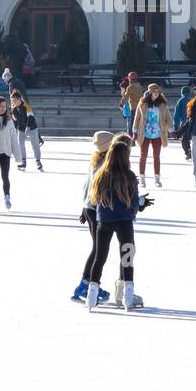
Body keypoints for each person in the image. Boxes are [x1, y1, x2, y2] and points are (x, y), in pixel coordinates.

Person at [86, 135, 155, 310]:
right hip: (124, 222)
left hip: (104, 222)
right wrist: (133, 212)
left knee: (100, 258)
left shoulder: (101, 175)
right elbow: (132, 202)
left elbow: (94, 200)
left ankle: (91, 296)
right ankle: (128, 297)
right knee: (127, 257)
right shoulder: (129, 176)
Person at [72, 131, 115, 304]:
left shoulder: (96, 159)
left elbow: (86, 184)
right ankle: (85, 284)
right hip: (96, 208)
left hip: (90, 207)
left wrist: (84, 206)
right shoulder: (103, 163)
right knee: (99, 250)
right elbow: (95, 186)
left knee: (98, 249)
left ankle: (90, 283)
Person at [132, 83, 171, 187]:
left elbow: (168, 117)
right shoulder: (143, 103)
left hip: (158, 133)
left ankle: (157, 179)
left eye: (158, 92)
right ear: (150, 92)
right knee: (143, 156)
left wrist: (172, 129)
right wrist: (135, 131)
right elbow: (137, 117)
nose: (156, 94)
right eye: (154, 92)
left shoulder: (162, 104)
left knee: (156, 156)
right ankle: (142, 178)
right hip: (144, 133)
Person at [10, 89, 43, 172]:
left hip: (31, 128)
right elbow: (14, 121)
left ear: (20, 99)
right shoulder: (14, 109)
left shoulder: (26, 106)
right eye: (13, 100)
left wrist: (28, 128)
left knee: (35, 145)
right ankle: (23, 161)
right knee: (20, 144)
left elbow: (31, 118)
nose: (14, 102)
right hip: (21, 129)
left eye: (16, 100)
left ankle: (38, 161)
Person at [119, 72, 143, 138]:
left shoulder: (130, 87)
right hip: (140, 106)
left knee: (132, 123)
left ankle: (130, 138)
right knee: (138, 122)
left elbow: (125, 96)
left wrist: (121, 104)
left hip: (133, 107)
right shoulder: (139, 86)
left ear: (130, 79)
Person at [173, 86, 192, 161]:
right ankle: (192, 151)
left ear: (182, 93)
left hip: (184, 123)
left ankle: (188, 152)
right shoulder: (192, 100)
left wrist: (176, 126)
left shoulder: (180, 101)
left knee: (184, 139)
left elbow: (177, 115)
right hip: (193, 123)